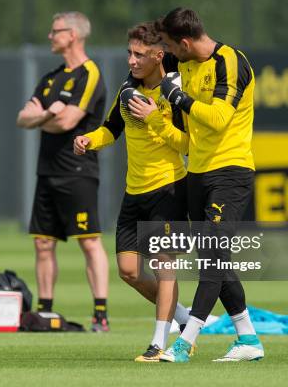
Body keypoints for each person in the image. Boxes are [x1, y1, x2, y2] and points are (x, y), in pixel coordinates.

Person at [74, 22, 192, 361]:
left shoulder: (174, 92)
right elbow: (111, 129)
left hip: (168, 189)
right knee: (128, 271)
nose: (131, 60)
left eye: (138, 54)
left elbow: (187, 144)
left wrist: (156, 118)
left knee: (162, 263)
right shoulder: (128, 89)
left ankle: (159, 342)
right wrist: (88, 141)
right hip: (134, 192)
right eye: (129, 52)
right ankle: (183, 318)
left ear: (158, 56)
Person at [154, 7, 264, 363]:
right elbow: (150, 63)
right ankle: (248, 338)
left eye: (172, 46)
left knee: (212, 262)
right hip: (197, 173)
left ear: (185, 42)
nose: (170, 53)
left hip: (230, 172)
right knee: (215, 258)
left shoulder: (230, 61)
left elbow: (218, 119)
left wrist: (177, 98)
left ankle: (185, 342)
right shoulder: (180, 61)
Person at [16, 11, 110, 332]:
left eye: (55, 31)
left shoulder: (90, 73)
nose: (50, 36)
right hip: (47, 171)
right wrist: (45, 116)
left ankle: (100, 314)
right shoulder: (51, 77)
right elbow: (22, 118)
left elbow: (68, 121)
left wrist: (41, 116)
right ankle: (45, 311)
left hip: (78, 170)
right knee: (43, 243)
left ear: (72, 35)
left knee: (89, 241)